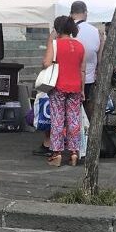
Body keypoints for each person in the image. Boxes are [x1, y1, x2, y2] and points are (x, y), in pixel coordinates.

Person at [42, 16, 85, 167]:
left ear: (57, 29)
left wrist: (50, 41)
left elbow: (46, 63)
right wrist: (83, 89)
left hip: (58, 85)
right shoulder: (80, 46)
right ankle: (74, 153)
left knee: (58, 119)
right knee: (74, 120)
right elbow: (82, 70)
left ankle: (57, 153)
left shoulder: (55, 44)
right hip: (76, 87)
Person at [70, 0, 103, 110]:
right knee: (84, 108)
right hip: (88, 78)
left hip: (67, 77)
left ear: (71, 13)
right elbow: (99, 59)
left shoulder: (65, 30)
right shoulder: (96, 31)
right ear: (85, 12)